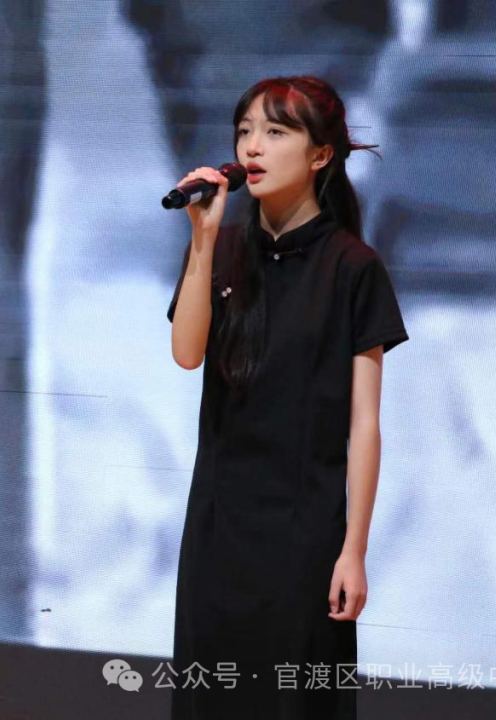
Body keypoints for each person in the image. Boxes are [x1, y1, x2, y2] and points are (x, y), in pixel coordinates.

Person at [168, 76, 408, 718]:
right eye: (245, 131)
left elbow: (365, 424)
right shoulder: (223, 250)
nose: (253, 147)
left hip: (305, 536)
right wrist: (203, 239)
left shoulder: (353, 267)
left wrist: (354, 550)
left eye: (275, 132)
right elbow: (187, 353)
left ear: (321, 154)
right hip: (219, 530)